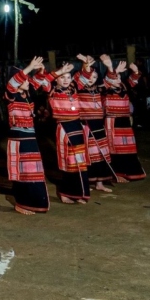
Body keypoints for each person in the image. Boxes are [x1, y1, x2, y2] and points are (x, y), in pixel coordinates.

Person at [4, 56, 52, 214]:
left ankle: (34, 203)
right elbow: (13, 84)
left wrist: (42, 70)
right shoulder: (10, 95)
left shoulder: (28, 94)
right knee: (22, 172)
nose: (27, 81)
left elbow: (40, 81)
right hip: (19, 138)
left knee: (34, 171)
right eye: (24, 79)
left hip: (30, 137)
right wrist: (30, 67)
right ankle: (21, 203)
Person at [48, 62, 92, 203]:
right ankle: (65, 193)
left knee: (80, 161)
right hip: (64, 128)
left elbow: (85, 77)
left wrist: (86, 64)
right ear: (56, 79)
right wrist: (58, 71)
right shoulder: (51, 90)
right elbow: (44, 81)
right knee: (69, 162)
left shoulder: (74, 88)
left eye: (68, 77)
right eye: (62, 77)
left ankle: (79, 194)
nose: (66, 80)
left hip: (77, 126)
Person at [77, 54, 118, 192]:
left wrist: (109, 66)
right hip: (85, 124)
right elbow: (80, 78)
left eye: (94, 77)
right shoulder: (78, 88)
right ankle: (87, 182)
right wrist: (86, 66)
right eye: (89, 76)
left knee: (101, 153)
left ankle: (100, 183)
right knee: (88, 154)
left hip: (98, 124)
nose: (91, 79)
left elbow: (111, 81)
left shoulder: (99, 89)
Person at [103, 61, 146, 181]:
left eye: (119, 77)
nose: (117, 79)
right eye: (115, 77)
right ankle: (116, 173)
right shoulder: (105, 88)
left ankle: (129, 172)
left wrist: (135, 70)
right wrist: (114, 70)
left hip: (125, 121)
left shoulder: (123, 86)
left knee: (128, 147)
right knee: (115, 148)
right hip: (112, 121)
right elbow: (108, 79)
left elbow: (133, 79)